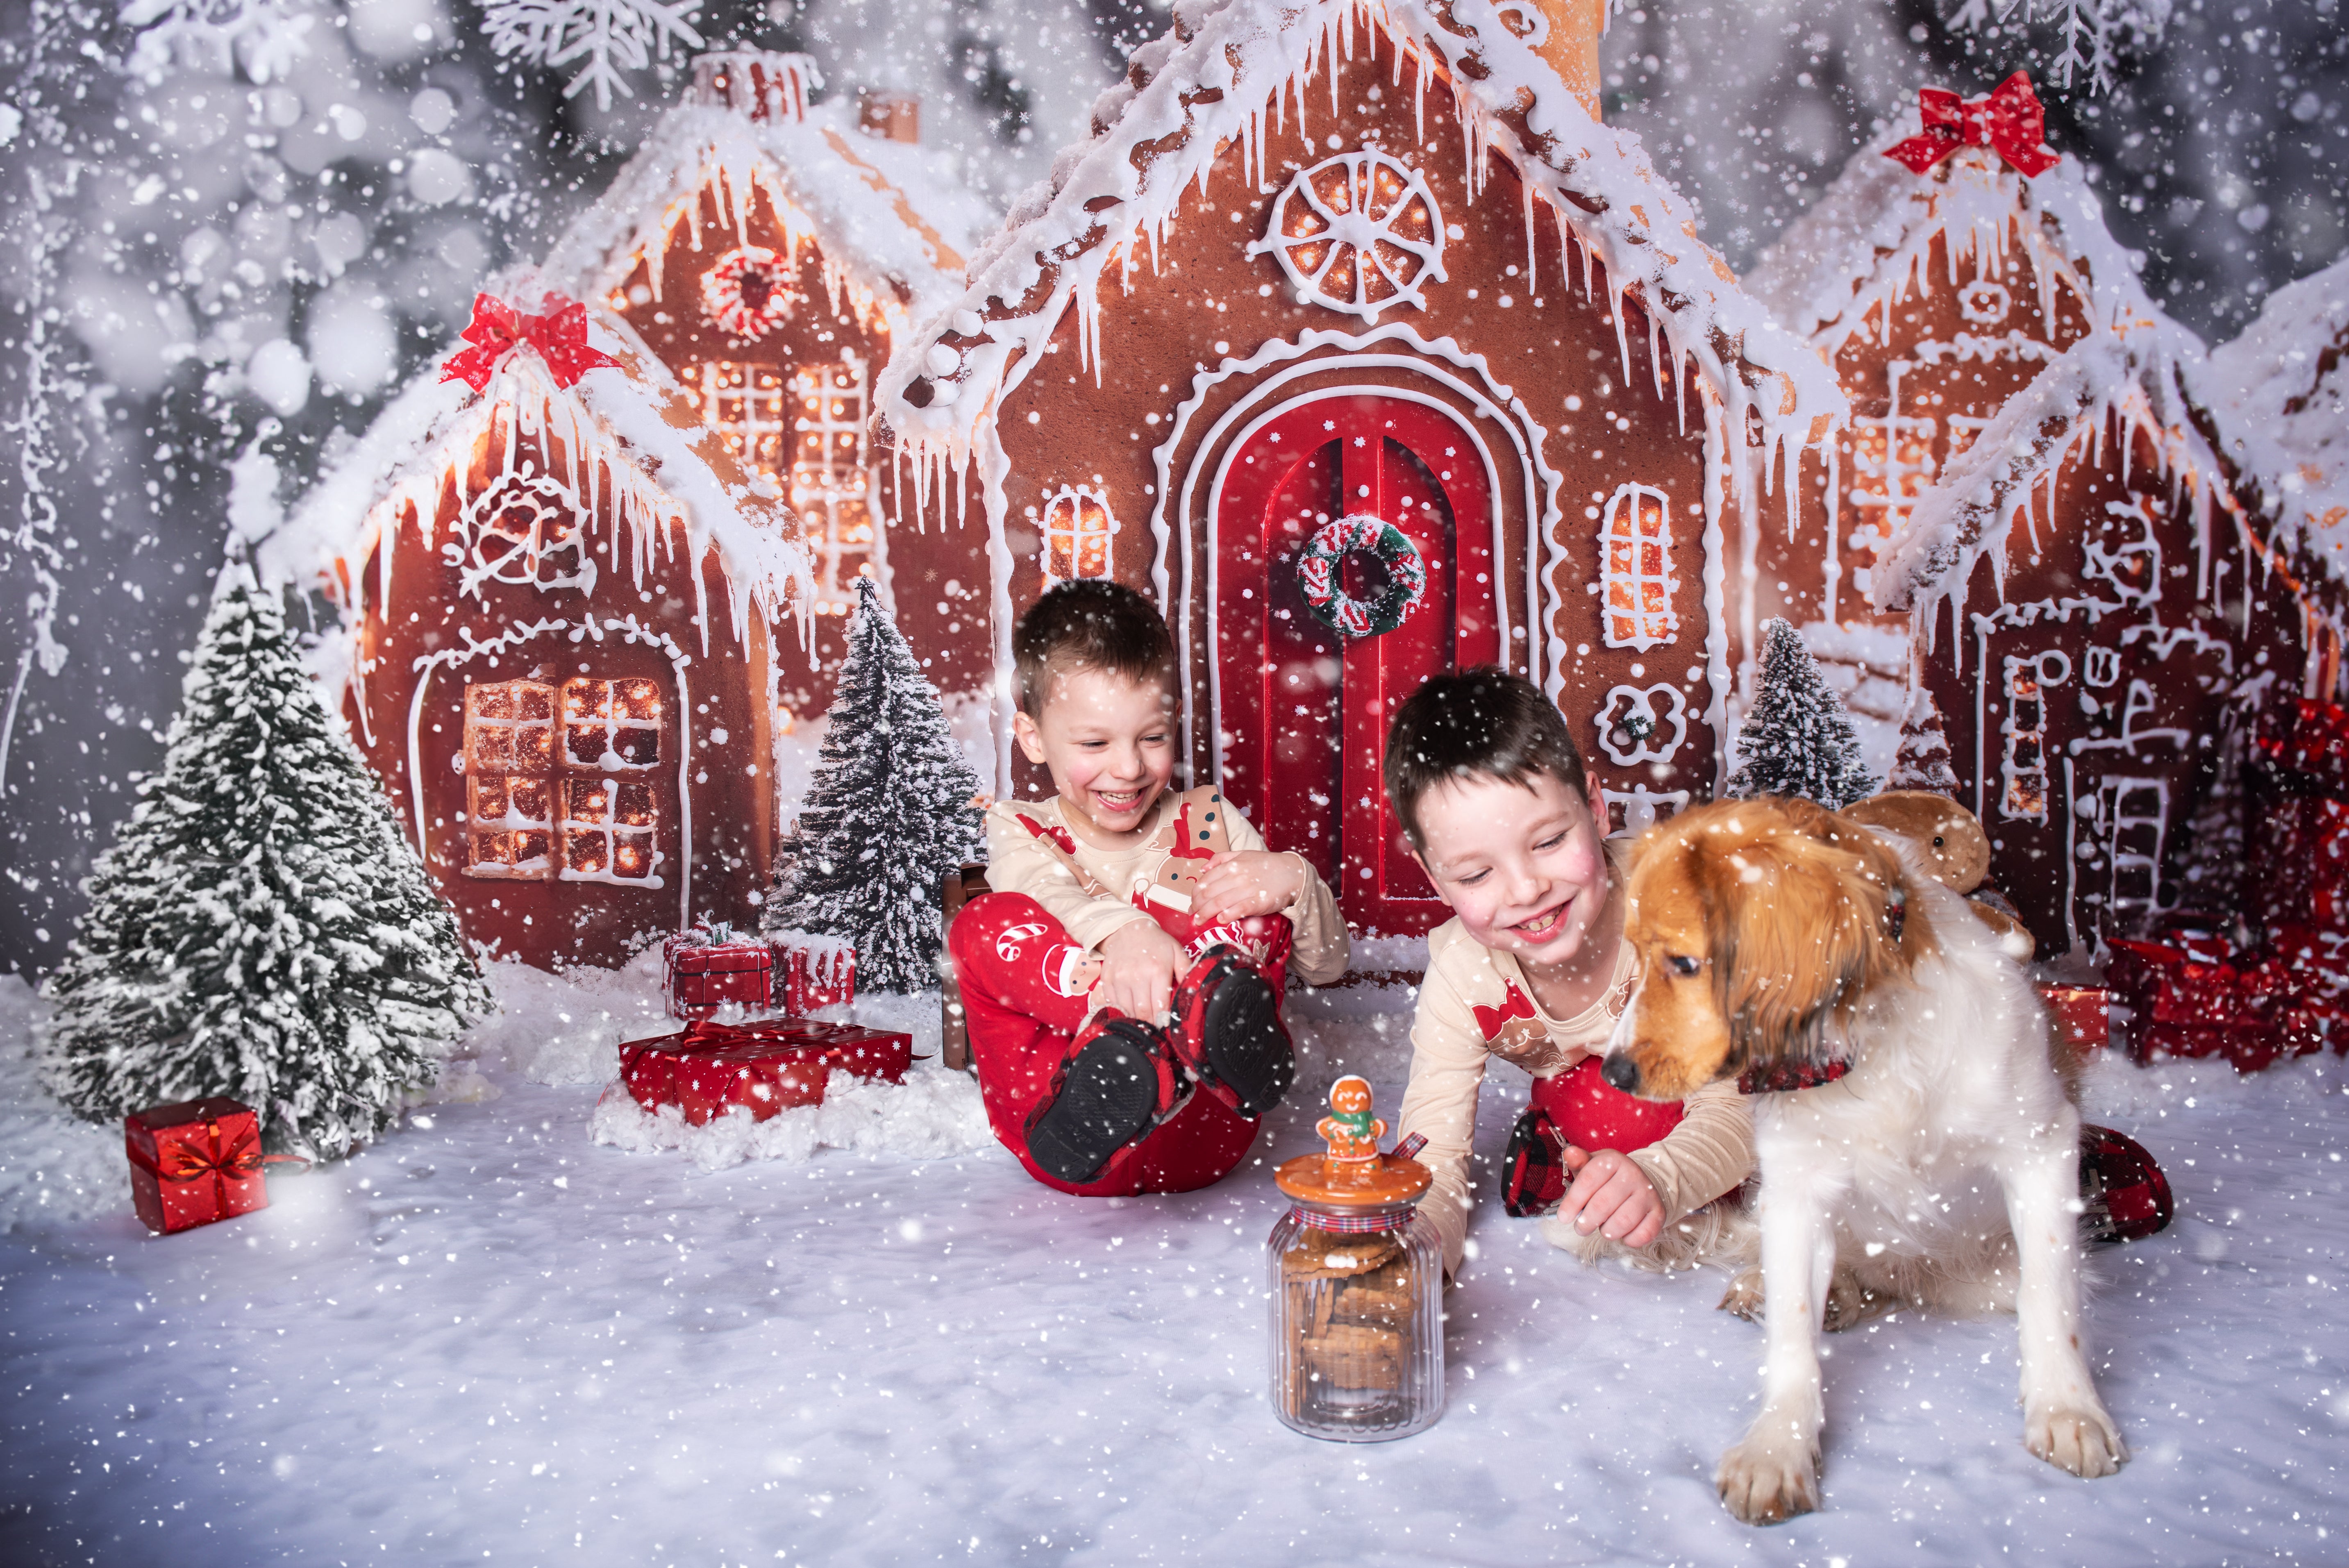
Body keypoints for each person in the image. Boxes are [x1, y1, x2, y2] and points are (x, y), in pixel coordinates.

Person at [946, 581, 1349, 1194]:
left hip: (1207, 1128)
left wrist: (1296, 879)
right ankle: (1128, 1061)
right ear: (1033, 737)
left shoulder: (1208, 822)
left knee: (1247, 899)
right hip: (1065, 1127)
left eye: (1152, 738)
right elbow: (1046, 894)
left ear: (1176, 720)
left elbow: (1330, 966)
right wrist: (1127, 934)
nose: (1130, 767)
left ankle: (1204, 1029)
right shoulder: (1021, 826)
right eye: (1094, 743)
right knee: (983, 922)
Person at [1385, 668, 1753, 1277]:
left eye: (1550, 840)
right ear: (1435, 879)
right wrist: (1416, 1262)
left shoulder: (1672, 909)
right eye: (1476, 875)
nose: (1527, 889)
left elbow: (1736, 1104)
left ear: (1596, 806)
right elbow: (1435, 1153)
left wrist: (1664, 1176)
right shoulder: (1461, 972)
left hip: (1694, 1083)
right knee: (1589, 1098)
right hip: (1581, 1088)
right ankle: (1562, 1147)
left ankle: (1582, 1154)